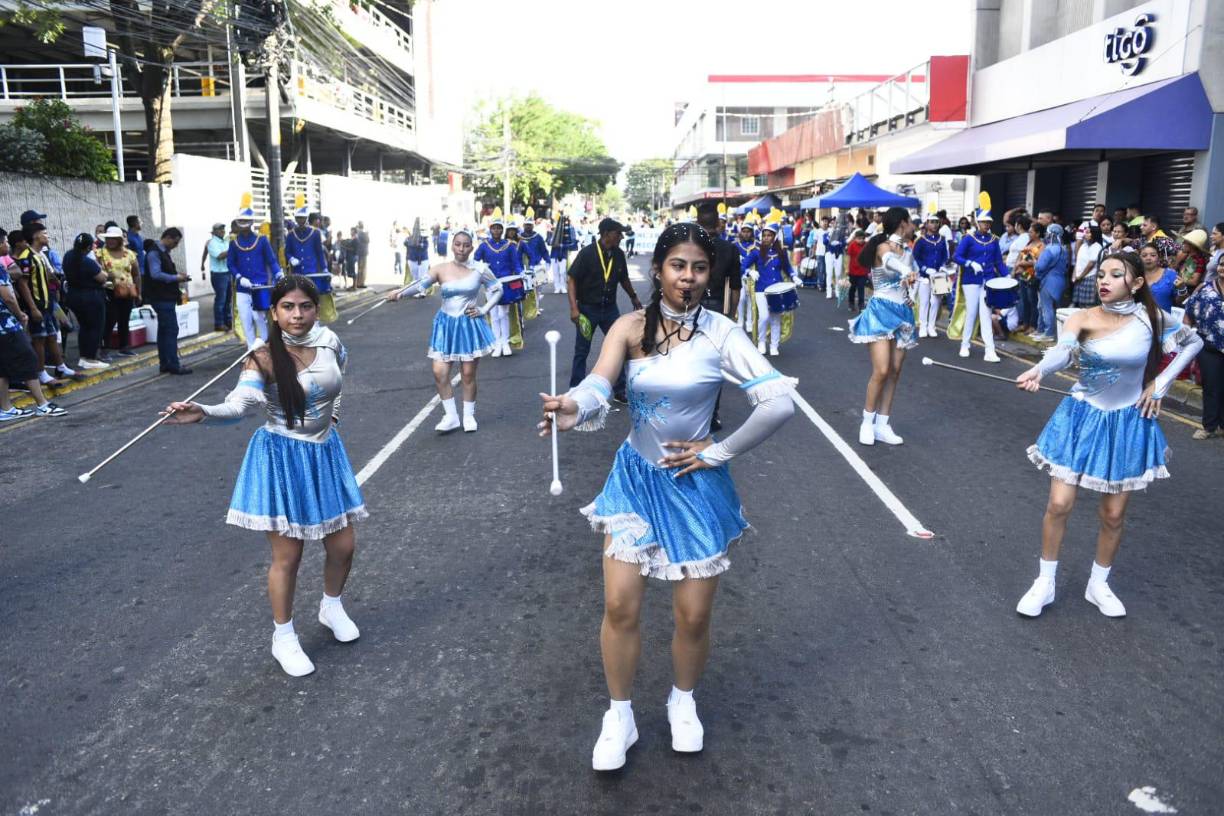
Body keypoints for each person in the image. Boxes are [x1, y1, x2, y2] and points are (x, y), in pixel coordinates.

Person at [539, 222, 794, 772]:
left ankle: (683, 701)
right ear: (658, 270)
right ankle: (620, 716)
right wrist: (574, 406)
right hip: (635, 479)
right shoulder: (630, 327)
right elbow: (599, 383)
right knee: (619, 604)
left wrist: (718, 451)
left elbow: (778, 403)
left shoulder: (722, 333)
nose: (689, 277)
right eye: (678, 265)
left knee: (694, 615)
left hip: (696, 484)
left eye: (699, 268)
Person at [165, 276, 364, 676]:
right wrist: (204, 411)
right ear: (274, 312)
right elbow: (239, 405)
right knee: (288, 556)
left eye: (305, 306)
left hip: (324, 452)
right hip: (283, 458)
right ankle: (283, 636)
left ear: (316, 309)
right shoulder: (263, 357)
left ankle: (331, 606)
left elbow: (338, 381)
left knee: (343, 546)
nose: (297, 315)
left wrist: (334, 417)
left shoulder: (330, 341)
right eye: (288, 307)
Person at [1014, 251, 1202, 618]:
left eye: (1116, 275)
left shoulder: (1151, 318)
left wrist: (1160, 384)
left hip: (1127, 422)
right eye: (1102, 274)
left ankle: (1098, 585)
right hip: (1081, 418)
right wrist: (1039, 370)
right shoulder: (1082, 318)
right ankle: (1045, 582)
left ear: (1136, 283)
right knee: (1059, 504)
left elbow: (1192, 342)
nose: (1104, 280)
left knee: (1113, 514)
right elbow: (1063, 352)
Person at [387, 229, 502, 432]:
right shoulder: (440, 269)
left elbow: (498, 288)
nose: (461, 248)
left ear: (471, 248)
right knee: (439, 372)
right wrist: (400, 293)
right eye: (457, 244)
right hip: (445, 325)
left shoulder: (480, 269)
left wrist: (484, 309)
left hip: (468, 325)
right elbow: (420, 285)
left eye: (466, 245)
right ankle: (451, 416)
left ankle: (468, 416)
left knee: (468, 373)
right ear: (452, 246)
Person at [848, 207, 918, 446]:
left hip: (903, 313)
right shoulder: (883, 247)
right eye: (911, 222)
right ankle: (866, 423)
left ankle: (882, 424)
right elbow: (890, 262)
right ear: (903, 223)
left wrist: (910, 294)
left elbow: (907, 281)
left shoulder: (908, 251)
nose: (913, 227)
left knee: (895, 370)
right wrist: (906, 271)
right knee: (882, 369)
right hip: (880, 311)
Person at [567, 217, 641, 401]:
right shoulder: (587, 253)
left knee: (619, 347)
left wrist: (634, 297)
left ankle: (620, 390)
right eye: (618, 233)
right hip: (587, 310)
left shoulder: (619, 254)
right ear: (606, 234)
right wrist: (574, 308)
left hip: (609, 310)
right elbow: (572, 280)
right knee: (582, 351)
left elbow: (624, 278)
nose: (621, 237)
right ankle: (575, 389)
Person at [0, 230, 66, 419]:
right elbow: (8, 297)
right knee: (29, 359)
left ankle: (5, 409)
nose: (7, 245)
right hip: (6, 325)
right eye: (5, 242)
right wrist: (20, 314)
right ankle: (42, 404)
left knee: (2, 368)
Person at [696, 201, 744, 431]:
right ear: (718, 223)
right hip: (716, 309)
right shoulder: (729, 249)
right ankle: (712, 414)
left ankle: (690, 412)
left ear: (697, 222)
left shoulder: (688, 245)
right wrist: (731, 315)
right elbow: (735, 287)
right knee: (714, 365)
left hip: (690, 306)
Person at [10, 224, 74, 383]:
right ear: (35, 236)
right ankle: (41, 372)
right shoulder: (27, 256)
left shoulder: (39, 255)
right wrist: (33, 308)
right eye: (44, 233)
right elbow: (23, 284)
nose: (47, 236)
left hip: (47, 303)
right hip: (37, 305)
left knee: (52, 336)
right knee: (39, 339)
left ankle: (60, 367)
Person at [952, 200, 1005, 362]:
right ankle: (965, 344)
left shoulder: (994, 240)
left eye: (988, 222)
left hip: (988, 280)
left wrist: (1007, 276)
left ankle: (990, 350)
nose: (986, 225)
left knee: (986, 314)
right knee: (972, 312)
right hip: (971, 280)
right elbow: (956, 256)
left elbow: (998, 262)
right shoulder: (968, 238)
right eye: (983, 222)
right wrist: (970, 263)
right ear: (977, 222)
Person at [741, 220, 798, 356]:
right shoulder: (756, 252)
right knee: (764, 317)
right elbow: (742, 265)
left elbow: (787, 267)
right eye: (764, 235)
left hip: (777, 289)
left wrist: (794, 276)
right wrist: (749, 272)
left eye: (769, 235)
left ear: (775, 237)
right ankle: (761, 341)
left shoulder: (781, 252)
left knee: (775, 318)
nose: (766, 238)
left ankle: (774, 345)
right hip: (761, 289)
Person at [229, 205, 282, 349]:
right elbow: (230, 264)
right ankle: (251, 350)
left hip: (260, 286)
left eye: (246, 221)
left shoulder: (262, 240)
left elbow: (271, 260)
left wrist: (278, 273)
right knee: (246, 320)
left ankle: (265, 347)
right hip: (242, 288)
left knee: (259, 318)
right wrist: (239, 277)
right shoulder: (234, 243)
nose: (243, 224)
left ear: (252, 222)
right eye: (241, 221)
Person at [1182, 262, 1224, 439]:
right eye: (1222, 264)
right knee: (1211, 386)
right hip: (1208, 346)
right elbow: (1188, 313)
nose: (1223, 268)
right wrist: (1187, 336)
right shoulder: (1204, 288)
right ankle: (1209, 427)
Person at [143, 227, 192, 375]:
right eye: (175, 242)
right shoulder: (154, 253)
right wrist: (176, 278)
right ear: (168, 238)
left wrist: (178, 275)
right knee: (171, 330)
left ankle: (165, 363)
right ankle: (173, 364)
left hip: (164, 296)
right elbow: (156, 274)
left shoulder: (162, 252)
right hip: (161, 297)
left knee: (164, 331)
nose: (176, 246)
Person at [473, 218, 523, 357]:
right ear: (490, 229)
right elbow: (475, 260)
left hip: (506, 283)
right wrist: (481, 269)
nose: (496, 230)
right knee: (494, 315)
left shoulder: (509, 245)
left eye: (499, 228)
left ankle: (505, 342)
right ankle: (497, 343)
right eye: (494, 228)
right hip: (490, 284)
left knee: (504, 313)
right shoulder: (484, 245)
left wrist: (520, 274)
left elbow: (516, 263)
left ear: (502, 230)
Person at [63, 232, 110, 370]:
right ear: (89, 247)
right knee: (95, 327)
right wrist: (103, 271)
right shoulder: (87, 261)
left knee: (84, 327)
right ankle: (90, 358)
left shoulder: (68, 256)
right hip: (91, 297)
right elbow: (102, 277)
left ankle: (84, 357)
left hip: (74, 296)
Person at [98, 224, 142, 356]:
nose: (110, 241)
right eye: (108, 238)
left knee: (124, 319)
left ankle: (124, 347)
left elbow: (136, 274)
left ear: (119, 240)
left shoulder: (129, 254)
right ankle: (104, 348)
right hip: (109, 291)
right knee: (109, 319)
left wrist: (139, 292)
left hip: (127, 291)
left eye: (113, 238)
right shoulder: (100, 253)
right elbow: (97, 271)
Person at [912, 210, 951, 337]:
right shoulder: (921, 240)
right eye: (932, 222)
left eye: (936, 222)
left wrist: (942, 266)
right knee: (924, 302)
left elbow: (945, 255)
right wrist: (924, 269)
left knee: (935, 302)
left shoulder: (942, 239)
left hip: (938, 275)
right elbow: (915, 257)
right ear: (927, 224)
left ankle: (931, 326)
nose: (934, 225)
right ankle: (923, 326)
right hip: (924, 276)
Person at [286, 205, 332, 305]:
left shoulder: (315, 233)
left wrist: (324, 268)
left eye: (303, 218)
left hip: (312, 271)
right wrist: (291, 258)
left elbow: (319, 253)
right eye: (298, 218)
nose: (300, 220)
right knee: (299, 299)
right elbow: (287, 252)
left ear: (306, 218)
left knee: (312, 299)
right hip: (297, 272)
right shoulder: (290, 235)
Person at [1031, 224, 1069, 342]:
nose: (1046, 235)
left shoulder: (1049, 249)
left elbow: (1040, 267)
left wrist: (1035, 262)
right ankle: (1044, 331)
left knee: (1046, 308)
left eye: (1047, 233)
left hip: (1048, 281)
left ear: (1051, 234)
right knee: (1051, 307)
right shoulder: (1064, 249)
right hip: (1060, 280)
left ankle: (1048, 333)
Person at [1014, 221, 1044, 333]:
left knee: (1032, 301)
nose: (1029, 234)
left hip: (1032, 276)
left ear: (1038, 233)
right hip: (1023, 275)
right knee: (1024, 300)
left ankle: (1033, 325)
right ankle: (1025, 323)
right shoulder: (1029, 243)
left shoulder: (1041, 246)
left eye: (1031, 232)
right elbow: (1020, 256)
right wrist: (1016, 267)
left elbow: (1038, 262)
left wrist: (1022, 263)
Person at [201, 223, 232, 332]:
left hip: (227, 272)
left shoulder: (225, 241)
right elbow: (219, 256)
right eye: (220, 229)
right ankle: (219, 323)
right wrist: (233, 249)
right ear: (214, 232)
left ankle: (228, 321)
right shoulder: (212, 243)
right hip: (219, 275)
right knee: (221, 300)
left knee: (228, 299)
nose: (222, 231)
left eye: (223, 229)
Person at [1070, 223, 1104, 308]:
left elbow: (1091, 264)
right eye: (1086, 232)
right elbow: (1078, 261)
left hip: (1090, 277)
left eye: (1088, 232)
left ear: (1094, 234)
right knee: (1080, 304)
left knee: (1089, 305)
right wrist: (1074, 275)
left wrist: (1080, 276)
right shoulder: (1083, 246)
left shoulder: (1097, 246)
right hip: (1079, 278)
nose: (1085, 234)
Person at [732, 222, 757, 330]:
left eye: (748, 232)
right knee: (741, 298)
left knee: (751, 299)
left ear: (752, 233)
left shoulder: (757, 245)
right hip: (740, 275)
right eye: (744, 231)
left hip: (753, 275)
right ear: (741, 232)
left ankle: (749, 322)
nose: (746, 234)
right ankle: (740, 319)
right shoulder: (735, 245)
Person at [1174, 229, 1208, 305]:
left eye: (1185, 242)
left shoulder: (1199, 260)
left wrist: (1181, 281)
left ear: (1192, 245)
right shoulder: (1186, 256)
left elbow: (1194, 281)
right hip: (1177, 291)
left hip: (1187, 294)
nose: (1182, 243)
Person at [1139, 243, 1178, 311]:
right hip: (1140, 316)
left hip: (1165, 316)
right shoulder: (1135, 275)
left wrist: (1182, 290)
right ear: (1139, 258)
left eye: (1153, 255)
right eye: (1144, 255)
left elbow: (1180, 301)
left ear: (1159, 257)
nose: (1148, 258)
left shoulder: (1170, 274)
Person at [845, 229, 869, 313]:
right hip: (853, 270)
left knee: (861, 288)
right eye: (859, 238)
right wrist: (847, 268)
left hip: (863, 271)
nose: (861, 240)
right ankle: (851, 303)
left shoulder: (866, 245)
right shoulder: (852, 245)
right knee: (852, 288)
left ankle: (861, 305)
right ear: (855, 238)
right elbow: (848, 257)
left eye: (862, 238)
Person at [404, 222, 431, 295]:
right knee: (415, 277)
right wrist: (411, 240)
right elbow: (405, 243)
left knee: (422, 277)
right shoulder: (409, 239)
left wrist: (416, 242)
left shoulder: (424, 240)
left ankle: (422, 291)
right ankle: (416, 291)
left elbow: (423, 247)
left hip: (423, 260)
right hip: (412, 260)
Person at [354, 221, 369, 288]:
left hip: (360, 252)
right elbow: (367, 240)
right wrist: (367, 234)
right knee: (362, 268)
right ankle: (360, 283)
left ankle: (359, 283)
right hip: (362, 253)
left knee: (360, 268)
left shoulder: (358, 232)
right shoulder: (361, 233)